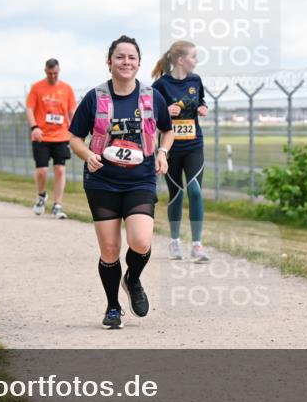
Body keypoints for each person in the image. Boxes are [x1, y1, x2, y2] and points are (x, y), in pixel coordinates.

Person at [69, 35, 174, 329]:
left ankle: (133, 278)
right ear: (109, 62)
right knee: (111, 249)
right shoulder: (95, 97)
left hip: (140, 179)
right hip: (102, 181)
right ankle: (113, 307)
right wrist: (87, 153)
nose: (126, 62)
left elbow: (168, 130)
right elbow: (74, 137)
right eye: (120, 57)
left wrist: (163, 152)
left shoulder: (153, 97)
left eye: (131, 57)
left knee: (140, 241)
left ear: (139, 63)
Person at [151, 40, 211, 262]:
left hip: (194, 145)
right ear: (180, 60)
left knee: (195, 191)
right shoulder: (160, 86)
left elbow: (201, 102)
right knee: (177, 194)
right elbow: (151, 117)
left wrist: (203, 108)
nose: (196, 61)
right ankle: (174, 241)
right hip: (171, 148)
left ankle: (197, 245)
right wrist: (166, 111)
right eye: (194, 57)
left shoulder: (196, 80)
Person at [26, 58, 77, 219]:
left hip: (61, 135)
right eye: (49, 73)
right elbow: (29, 109)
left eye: (55, 73)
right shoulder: (37, 88)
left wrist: (75, 131)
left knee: (60, 170)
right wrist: (34, 127)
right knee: (41, 170)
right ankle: (41, 196)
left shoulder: (67, 89)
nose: (52, 76)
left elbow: (72, 112)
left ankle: (57, 205)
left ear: (59, 71)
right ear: (45, 71)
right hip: (41, 135)